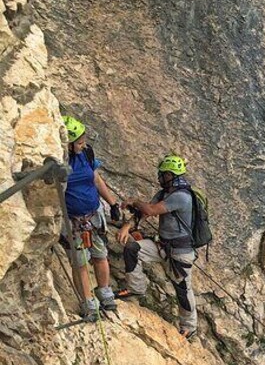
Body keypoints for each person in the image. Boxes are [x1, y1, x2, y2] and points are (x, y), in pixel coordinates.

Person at [116, 155, 198, 340]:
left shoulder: (182, 197)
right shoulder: (164, 193)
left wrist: (135, 201)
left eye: (162, 174)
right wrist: (127, 227)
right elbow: (145, 212)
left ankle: (189, 326)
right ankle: (136, 287)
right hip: (162, 245)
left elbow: (150, 210)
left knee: (183, 288)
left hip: (180, 252)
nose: (159, 177)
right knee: (132, 248)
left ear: (169, 175)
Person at [60, 115, 122, 321]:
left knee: (100, 254)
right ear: (68, 144)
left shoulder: (86, 154)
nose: (83, 144)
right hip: (74, 221)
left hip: (94, 215)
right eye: (79, 142)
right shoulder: (60, 163)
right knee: (79, 262)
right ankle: (88, 303)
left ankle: (104, 293)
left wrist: (112, 203)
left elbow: (96, 179)